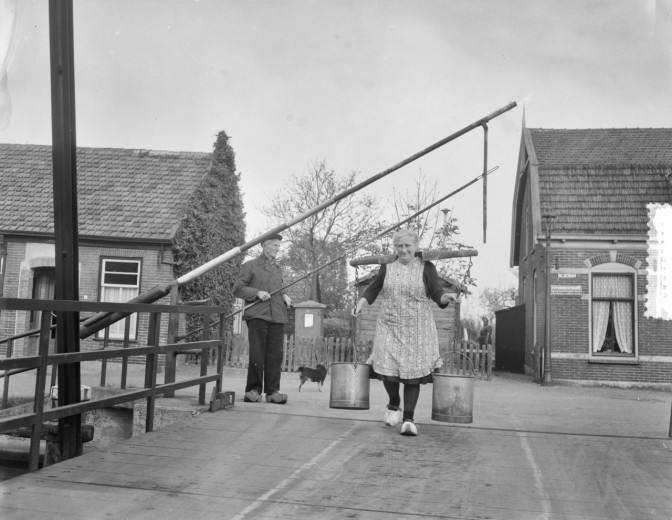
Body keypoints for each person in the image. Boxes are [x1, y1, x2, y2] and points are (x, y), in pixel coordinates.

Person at [352, 229, 457, 436]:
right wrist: (360, 304)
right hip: (389, 326)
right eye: (399, 246)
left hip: (418, 330)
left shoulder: (426, 267)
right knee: (388, 371)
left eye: (408, 246)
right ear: (395, 247)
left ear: (416, 247)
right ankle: (393, 403)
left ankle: (409, 419)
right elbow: (373, 289)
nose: (403, 250)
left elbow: (437, 293)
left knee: (412, 375)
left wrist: (447, 298)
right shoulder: (387, 266)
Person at [233, 233, 292, 404]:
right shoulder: (250, 266)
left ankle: (273, 392)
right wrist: (256, 293)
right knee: (257, 354)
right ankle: (253, 390)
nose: (277, 249)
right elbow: (237, 289)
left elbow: (277, 289)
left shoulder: (278, 269)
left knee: (275, 356)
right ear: (265, 246)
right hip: (258, 315)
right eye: (275, 246)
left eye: (278, 246)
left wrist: (284, 296)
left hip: (277, 316)